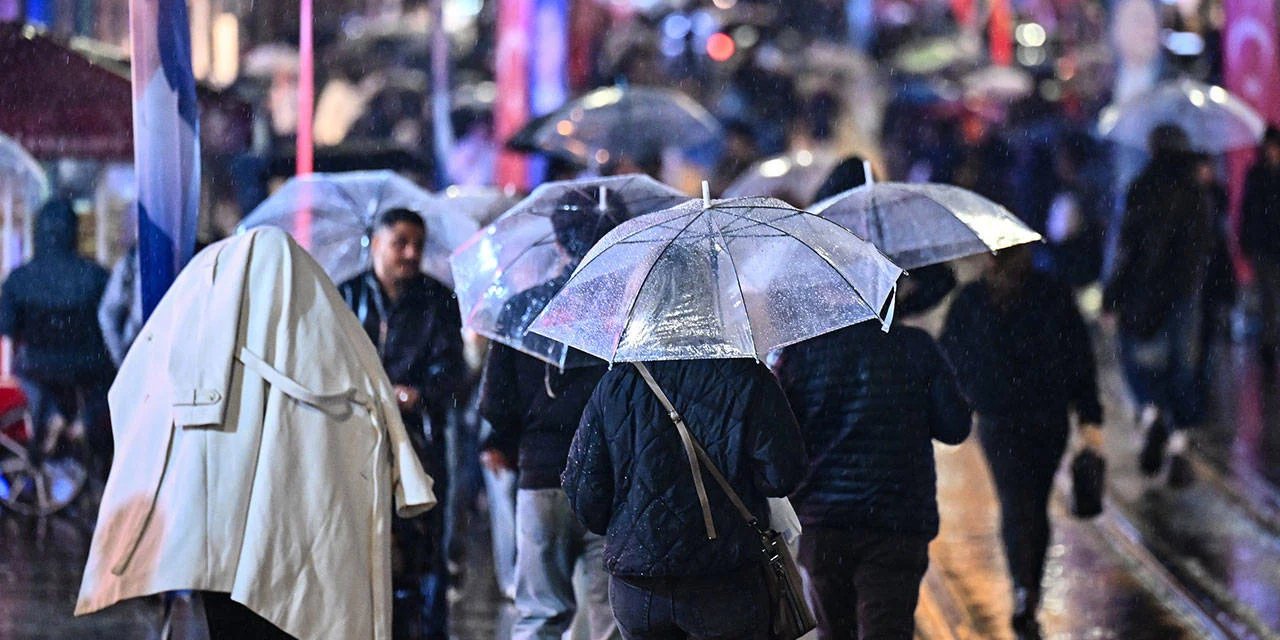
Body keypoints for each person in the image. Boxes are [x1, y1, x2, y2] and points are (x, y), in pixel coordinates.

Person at [775, 280, 971, 639]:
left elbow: (781, 440)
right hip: (897, 524)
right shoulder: (916, 348)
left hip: (824, 524)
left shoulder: (801, 354)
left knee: (835, 632)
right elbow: (955, 427)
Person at [562, 357, 807, 640]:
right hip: (726, 579)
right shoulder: (747, 376)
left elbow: (585, 497)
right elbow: (783, 475)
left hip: (639, 590)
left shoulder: (614, 385)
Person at [478, 193, 628, 640]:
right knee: (609, 617)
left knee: (541, 614)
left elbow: (495, 404)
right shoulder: (626, 311)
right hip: (613, 479)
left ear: (560, 243)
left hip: (543, 476)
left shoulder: (524, 310)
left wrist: (505, 443)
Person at [941, 245, 1104, 640]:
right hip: (1048, 418)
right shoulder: (1052, 293)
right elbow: (1080, 358)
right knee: (1035, 502)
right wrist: (1089, 417)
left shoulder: (973, 300)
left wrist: (968, 398)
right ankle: (1030, 585)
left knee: (1016, 503)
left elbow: (949, 359)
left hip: (1000, 422)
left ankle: (1023, 587)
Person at [338, 208, 466, 640]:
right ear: (376, 244)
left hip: (419, 442)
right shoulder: (345, 295)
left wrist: (418, 394)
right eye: (400, 243)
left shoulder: (437, 299)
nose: (411, 254)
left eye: (417, 245)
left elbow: (453, 375)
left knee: (422, 551)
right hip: (356, 441)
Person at [1103, 124, 1212, 487]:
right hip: (1185, 293)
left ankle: (1151, 414)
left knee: (1138, 360)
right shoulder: (1197, 192)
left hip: (1143, 292)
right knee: (1182, 366)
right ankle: (1179, 443)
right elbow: (1204, 249)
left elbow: (1127, 248)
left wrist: (1113, 296)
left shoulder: (1142, 186)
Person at [0, 199, 114, 475]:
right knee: (110, 379)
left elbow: (7, 334)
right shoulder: (96, 276)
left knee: (21, 371)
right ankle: (84, 423)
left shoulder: (18, 279)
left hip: (39, 365)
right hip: (88, 366)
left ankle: (50, 415)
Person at [1242, 127, 1280, 376]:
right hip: (1265, 247)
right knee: (1269, 299)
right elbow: (1248, 211)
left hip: (1268, 244)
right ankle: (1269, 346)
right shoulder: (1256, 175)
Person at [98, 244, 143, 367]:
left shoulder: (132, 259)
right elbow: (108, 314)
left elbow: (107, 315)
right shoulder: (130, 260)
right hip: (138, 347)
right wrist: (121, 358)